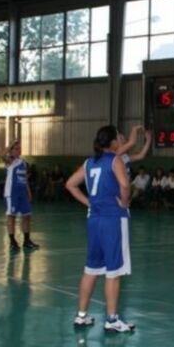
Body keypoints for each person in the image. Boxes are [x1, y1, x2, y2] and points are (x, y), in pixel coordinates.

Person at [65, 125, 135, 333]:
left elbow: (70, 184)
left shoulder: (89, 162)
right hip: (113, 219)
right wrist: (125, 202)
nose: (120, 141)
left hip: (94, 219)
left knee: (91, 270)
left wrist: (89, 202)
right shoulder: (115, 160)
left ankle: (81, 316)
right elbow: (125, 185)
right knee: (114, 271)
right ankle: (112, 320)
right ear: (112, 142)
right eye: (118, 138)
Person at [3, 140, 39, 251]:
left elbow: (25, 179)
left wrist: (29, 192)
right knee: (11, 216)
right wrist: (10, 146)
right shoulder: (9, 161)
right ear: (11, 150)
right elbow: (4, 155)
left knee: (27, 216)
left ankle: (27, 241)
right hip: (12, 193)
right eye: (16, 148)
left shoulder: (23, 162)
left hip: (23, 193)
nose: (19, 150)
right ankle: (12, 242)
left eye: (20, 148)